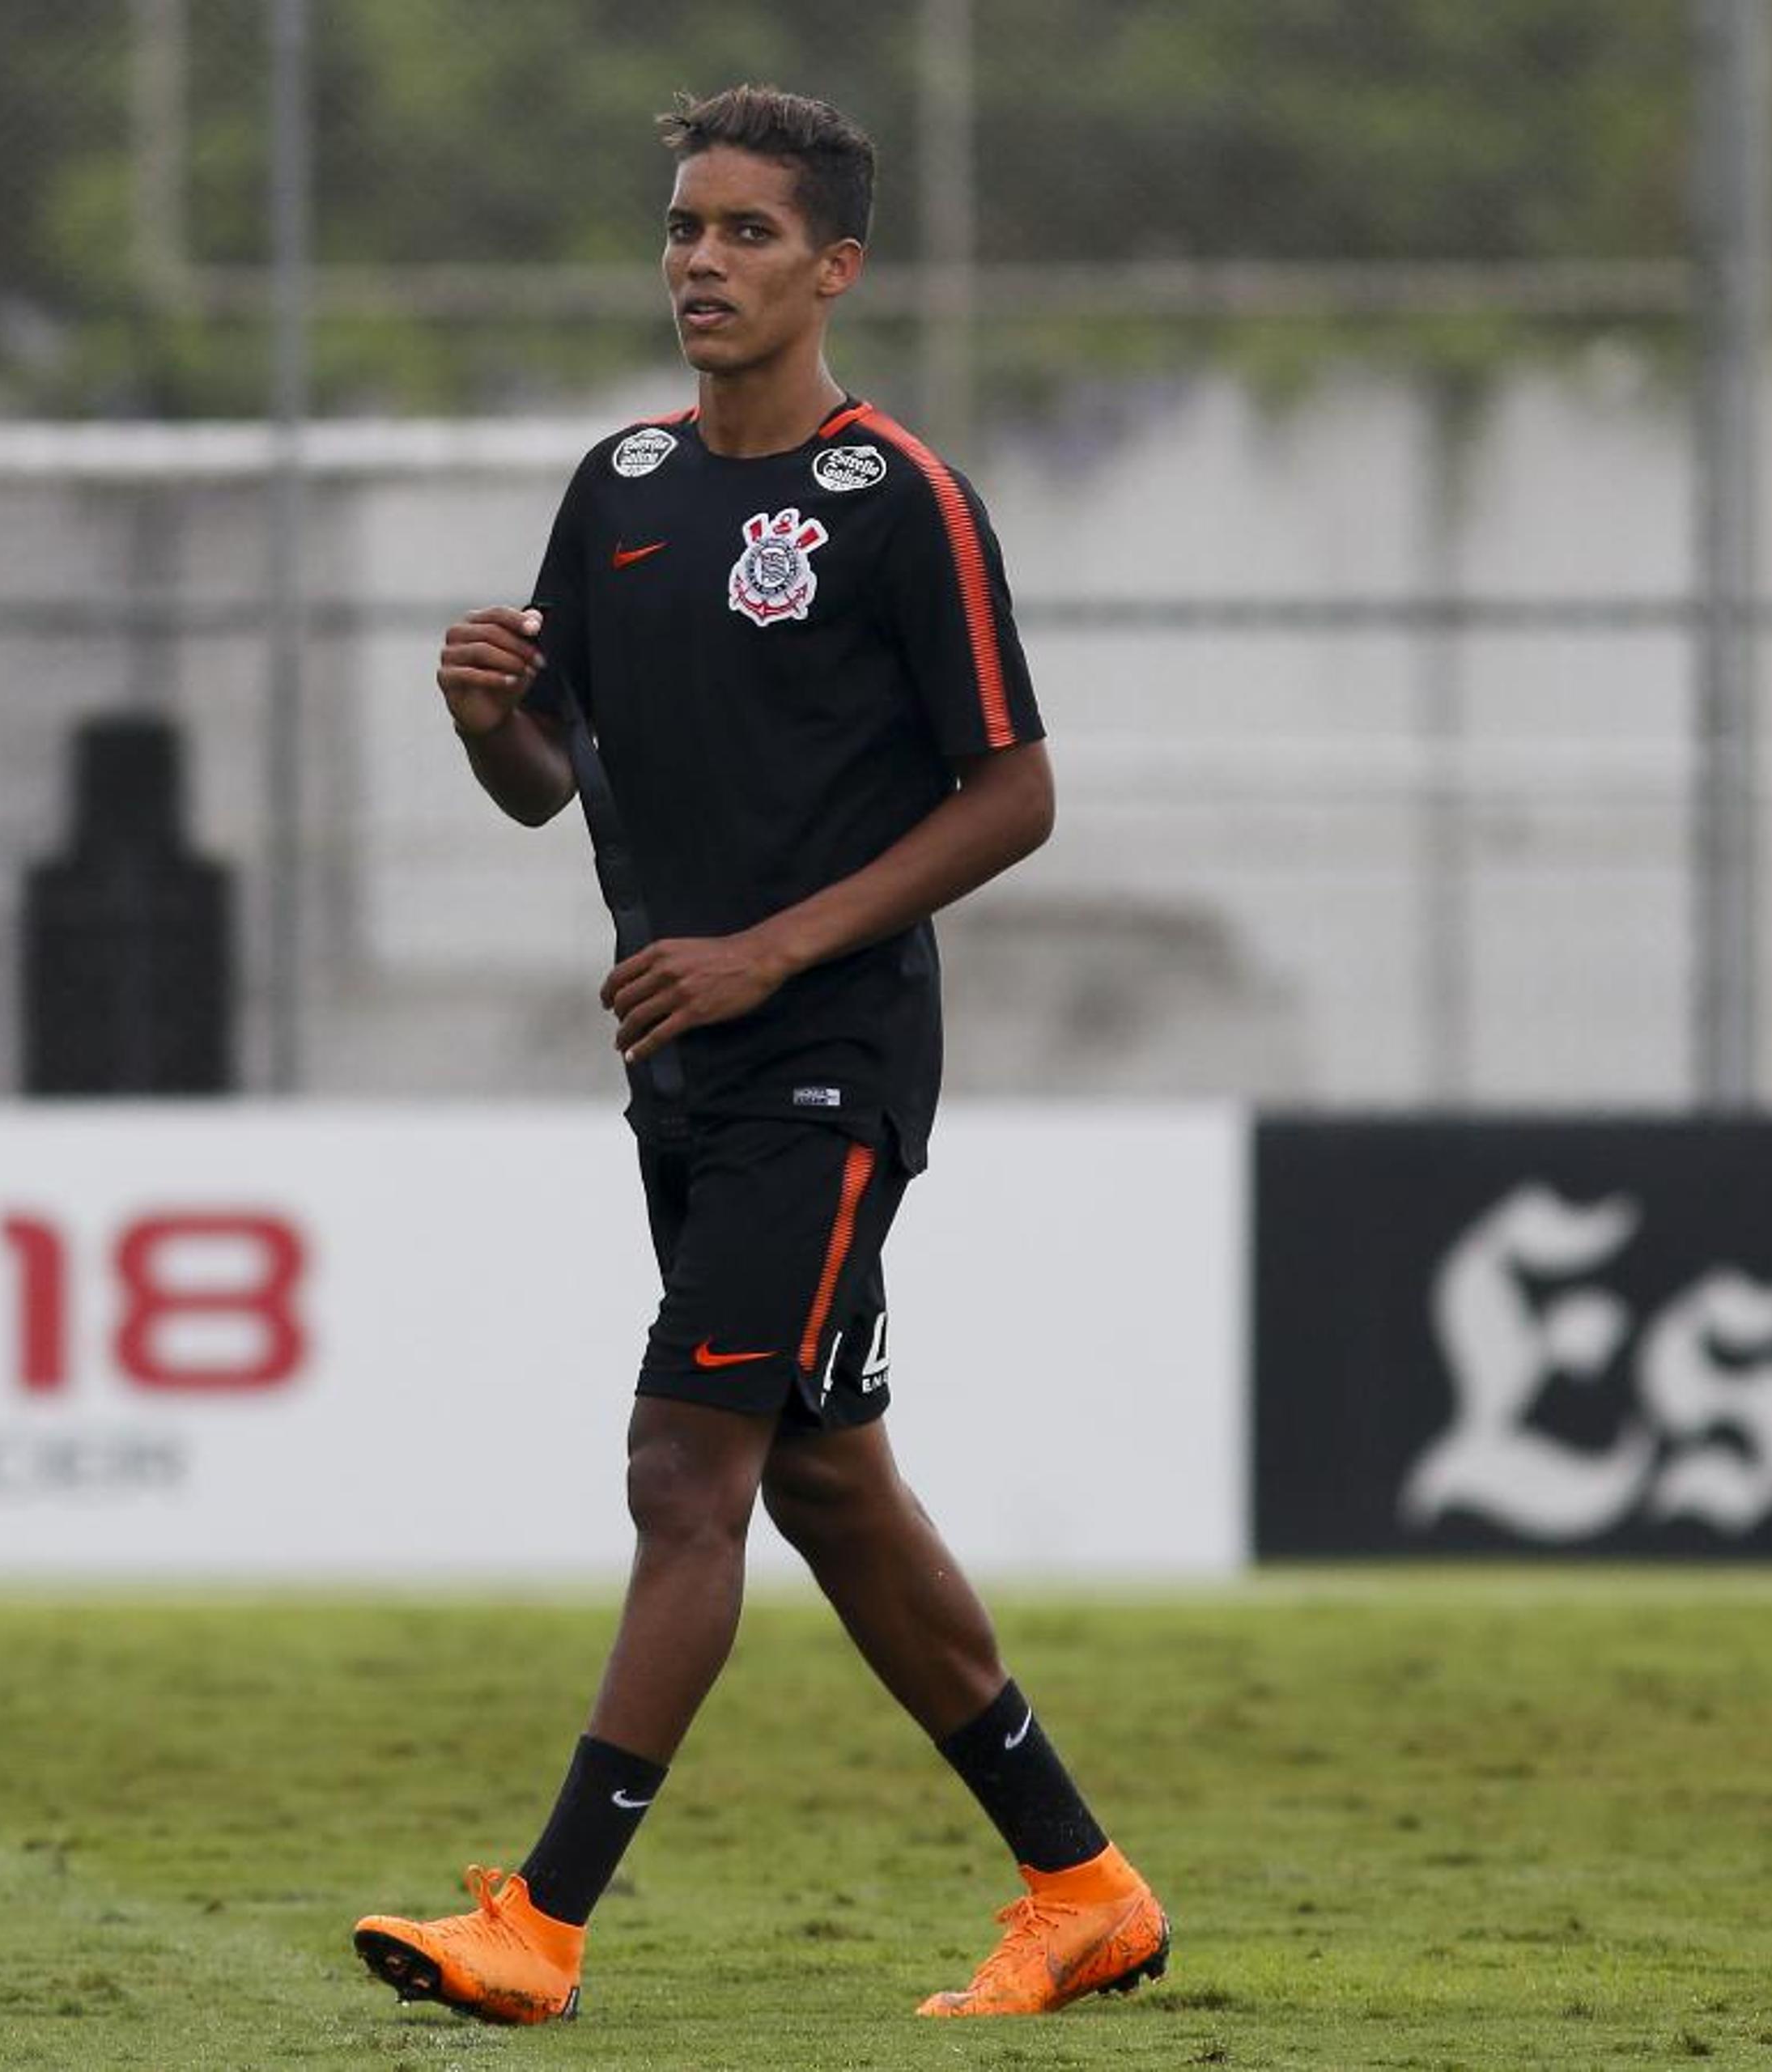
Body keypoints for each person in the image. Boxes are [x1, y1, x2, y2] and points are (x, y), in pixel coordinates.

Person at [350, 84, 1166, 2026]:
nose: (700, 263)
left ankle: (538, 1923)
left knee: (683, 1466)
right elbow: (553, 787)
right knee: (830, 1486)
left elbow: (1019, 792)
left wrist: (772, 954)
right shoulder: (620, 485)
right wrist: (486, 719)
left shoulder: (903, 504)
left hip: (830, 1056)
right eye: (684, 228)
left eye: (745, 234)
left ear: (835, 269)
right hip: (688, 1063)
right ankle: (1084, 1883)